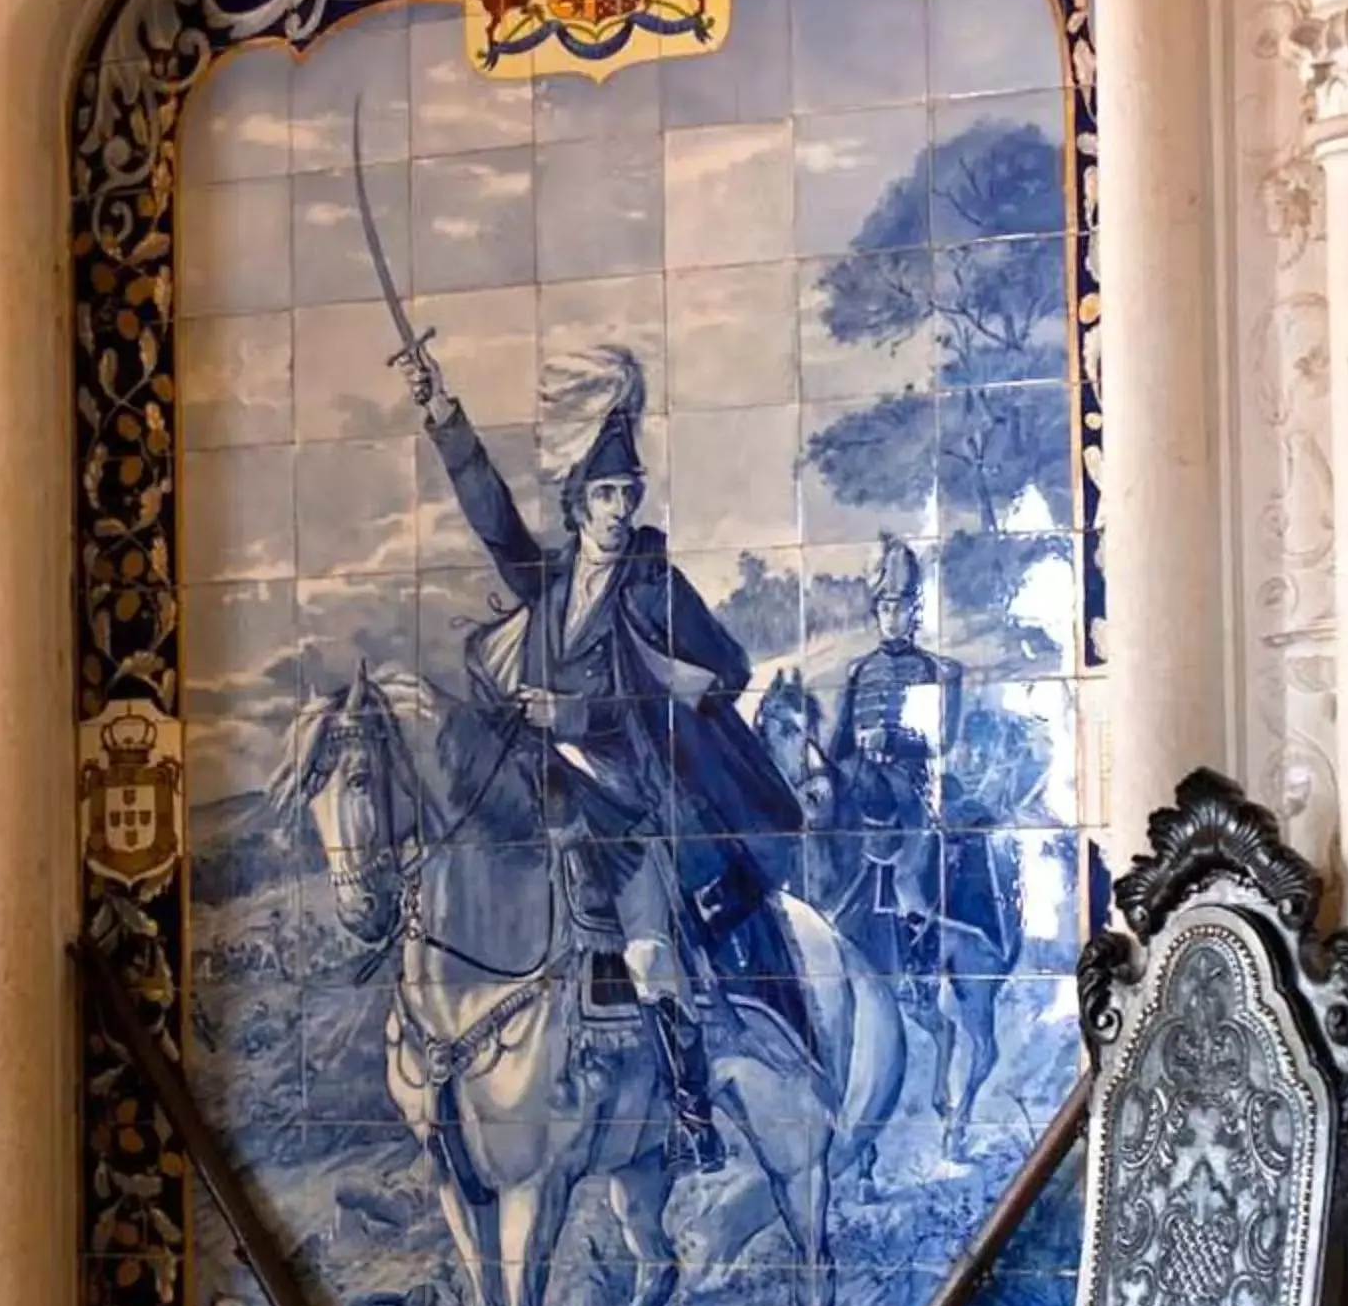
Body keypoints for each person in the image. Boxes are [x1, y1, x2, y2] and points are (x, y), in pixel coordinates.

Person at [398, 339, 803, 1171]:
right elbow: (491, 517)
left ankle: (691, 1113)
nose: (620, 508)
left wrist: (575, 708)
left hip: (637, 799)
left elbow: (725, 673)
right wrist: (443, 413)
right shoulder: (548, 582)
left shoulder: (654, 582)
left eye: (628, 492)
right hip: (557, 794)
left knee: (651, 954)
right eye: (606, 494)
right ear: (578, 505)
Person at [827, 533, 962, 968]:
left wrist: (893, 742)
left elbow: (939, 741)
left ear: (915, 611)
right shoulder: (859, 670)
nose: (892, 616)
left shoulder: (931, 670)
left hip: (909, 783)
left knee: (908, 864)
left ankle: (915, 937)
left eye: (901, 606)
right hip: (860, 780)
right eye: (885, 607)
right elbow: (840, 741)